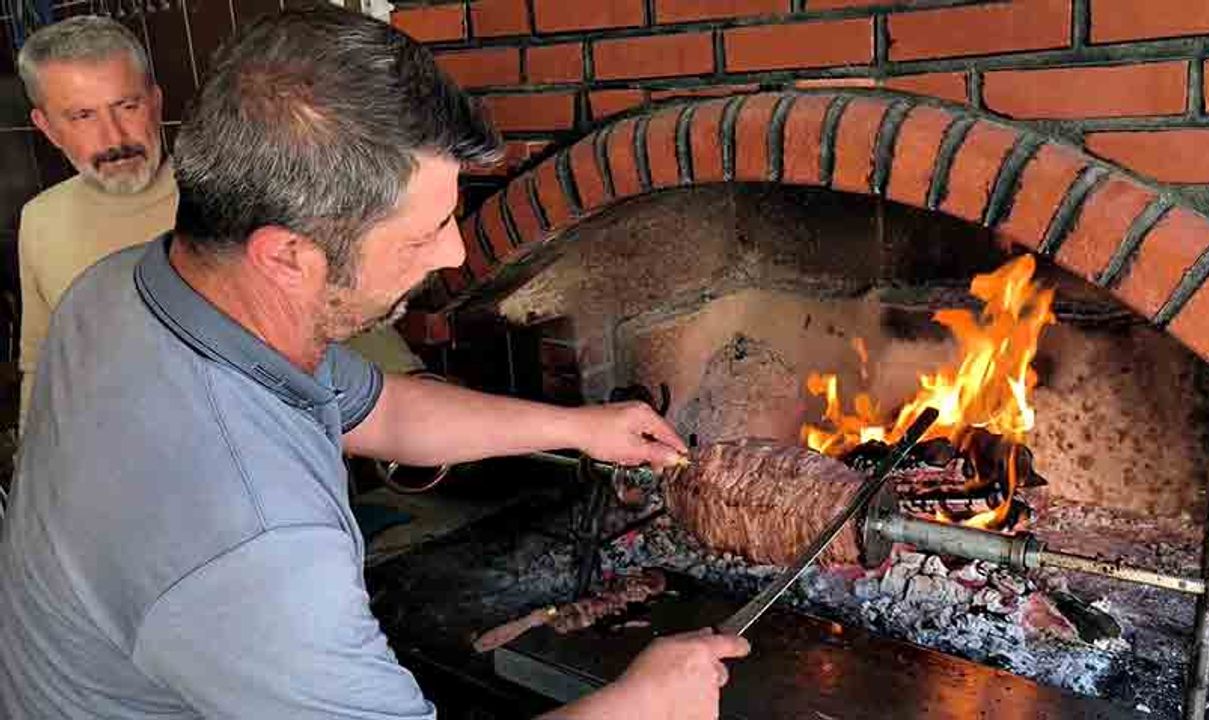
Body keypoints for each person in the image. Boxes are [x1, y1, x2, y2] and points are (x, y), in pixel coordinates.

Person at [0, 7, 749, 719]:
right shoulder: (261, 547)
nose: (456, 252)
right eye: (425, 233)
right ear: (289, 257)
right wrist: (647, 702)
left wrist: (583, 428)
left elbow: (384, 409)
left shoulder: (134, 289)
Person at [14, 15, 423, 429]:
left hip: (265, 444)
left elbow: (337, 306)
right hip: (127, 459)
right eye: (83, 116)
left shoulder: (237, 192)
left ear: (155, 103)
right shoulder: (39, 221)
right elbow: (41, 363)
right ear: (47, 127)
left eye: (127, 106)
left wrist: (410, 392)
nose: (114, 137)